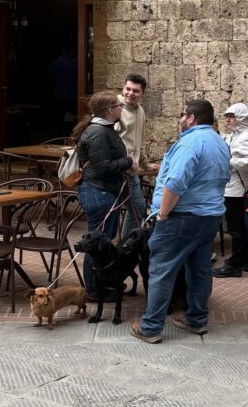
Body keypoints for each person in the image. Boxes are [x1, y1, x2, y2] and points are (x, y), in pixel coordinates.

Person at [131, 99, 230, 343]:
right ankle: (196, 320)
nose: (180, 118)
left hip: (183, 216)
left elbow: (174, 183)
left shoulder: (188, 143)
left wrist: (163, 214)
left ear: (191, 118)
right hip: (210, 216)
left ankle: (151, 326)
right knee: (199, 269)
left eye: (182, 114)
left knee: (162, 270)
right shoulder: (219, 142)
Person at [73, 91, 133, 299]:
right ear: (109, 110)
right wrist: (128, 162)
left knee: (103, 243)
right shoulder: (98, 133)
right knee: (96, 246)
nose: (121, 108)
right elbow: (103, 167)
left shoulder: (104, 129)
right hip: (98, 193)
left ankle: (103, 285)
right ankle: (93, 290)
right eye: (119, 105)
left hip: (104, 192)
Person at [213, 103, 248, 278]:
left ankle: (234, 265)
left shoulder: (247, 136)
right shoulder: (235, 135)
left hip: (237, 188)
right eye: (226, 116)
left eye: (231, 116)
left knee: (235, 229)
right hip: (231, 187)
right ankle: (244, 262)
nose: (227, 120)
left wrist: (230, 162)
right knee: (238, 227)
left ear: (240, 118)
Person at [116, 73, 155, 238]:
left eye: (135, 91)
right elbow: (110, 142)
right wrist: (119, 163)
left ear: (142, 93)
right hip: (116, 170)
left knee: (138, 210)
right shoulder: (115, 108)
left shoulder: (140, 111)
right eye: (128, 89)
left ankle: (124, 247)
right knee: (109, 215)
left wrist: (145, 165)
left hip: (130, 172)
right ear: (123, 87)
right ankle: (120, 249)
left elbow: (139, 142)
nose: (130, 93)